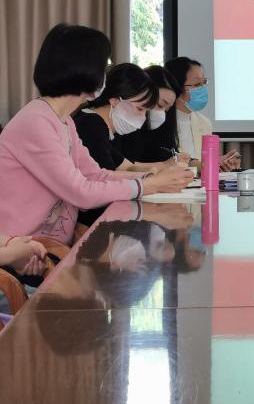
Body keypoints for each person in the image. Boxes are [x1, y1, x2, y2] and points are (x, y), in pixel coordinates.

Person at [0, 24, 192, 244]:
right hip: (23, 251)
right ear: (84, 68)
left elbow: (95, 175)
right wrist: (150, 185)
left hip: (51, 247)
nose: (106, 74)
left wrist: (149, 179)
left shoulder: (64, 121)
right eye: (104, 66)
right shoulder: (36, 122)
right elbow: (80, 192)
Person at [73, 63, 181, 174]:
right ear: (115, 100)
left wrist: (165, 168)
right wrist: (155, 176)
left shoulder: (108, 129)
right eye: (140, 108)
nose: (143, 117)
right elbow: (106, 176)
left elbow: (127, 167)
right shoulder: (91, 124)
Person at [164, 56, 240, 171]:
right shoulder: (158, 122)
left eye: (203, 82)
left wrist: (217, 164)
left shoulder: (204, 122)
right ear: (176, 87)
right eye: (197, 84)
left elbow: (203, 164)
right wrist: (204, 166)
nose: (202, 88)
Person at [114, 65, 187, 164]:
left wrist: (185, 160)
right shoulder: (121, 125)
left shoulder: (160, 131)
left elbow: (168, 154)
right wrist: (163, 166)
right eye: (160, 105)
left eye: (167, 109)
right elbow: (119, 165)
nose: (162, 114)